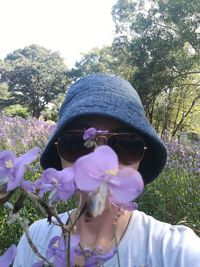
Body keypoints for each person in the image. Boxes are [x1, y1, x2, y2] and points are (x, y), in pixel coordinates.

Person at [13, 74, 200, 267]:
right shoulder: (35, 238)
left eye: (125, 144)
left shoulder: (177, 250)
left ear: (142, 156)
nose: (98, 159)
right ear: (58, 154)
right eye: (77, 143)